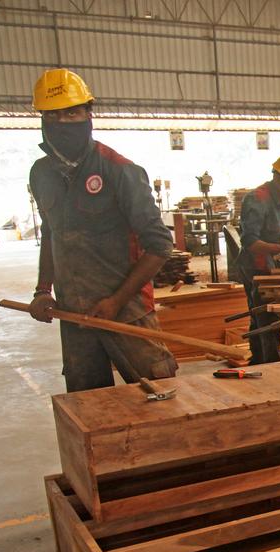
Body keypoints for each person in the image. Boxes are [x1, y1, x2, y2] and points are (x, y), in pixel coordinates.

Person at [26, 68, 177, 392]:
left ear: (89, 113)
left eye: (73, 112)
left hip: (128, 314)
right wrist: (42, 290)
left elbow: (160, 245)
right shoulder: (41, 174)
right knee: (87, 410)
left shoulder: (120, 171)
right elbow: (51, 234)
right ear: (42, 118)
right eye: (55, 115)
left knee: (162, 403)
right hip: (74, 316)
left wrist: (117, 300)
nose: (66, 122)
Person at [238, 154, 280, 364]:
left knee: (260, 316)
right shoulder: (257, 198)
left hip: (269, 265)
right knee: (267, 318)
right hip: (255, 267)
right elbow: (249, 242)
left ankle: (258, 360)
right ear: (276, 175)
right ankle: (270, 365)